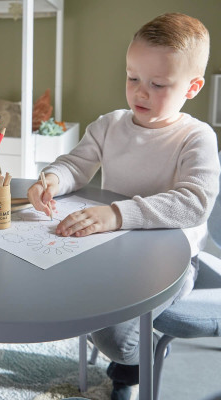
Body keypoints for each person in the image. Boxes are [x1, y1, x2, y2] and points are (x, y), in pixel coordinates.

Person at [27, 12, 220, 400]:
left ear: (193, 86)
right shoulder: (110, 124)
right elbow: (74, 165)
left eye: (158, 83)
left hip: (169, 261)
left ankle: (129, 369)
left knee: (115, 338)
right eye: (132, 77)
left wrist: (116, 214)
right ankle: (122, 357)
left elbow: (195, 203)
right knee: (54, 294)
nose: (140, 92)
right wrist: (50, 180)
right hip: (109, 248)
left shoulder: (195, 137)